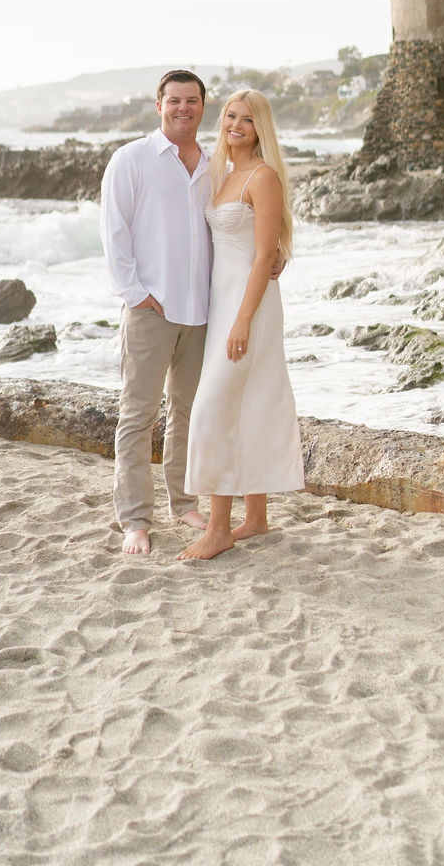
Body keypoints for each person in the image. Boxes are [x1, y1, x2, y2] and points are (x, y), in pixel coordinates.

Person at [178, 89, 304, 562]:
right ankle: (255, 518)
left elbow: (264, 255)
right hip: (223, 303)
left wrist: (243, 320)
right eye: (231, 115)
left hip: (248, 307)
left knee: (215, 407)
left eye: (247, 120)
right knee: (247, 402)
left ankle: (218, 529)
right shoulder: (221, 173)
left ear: (260, 129)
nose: (236, 125)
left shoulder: (262, 176)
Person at [100, 70, 211, 555]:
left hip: (202, 310)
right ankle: (135, 520)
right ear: (159, 105)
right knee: (138, 414)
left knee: (187, 411)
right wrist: (133, 292)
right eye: (174, 101)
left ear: (203, 106)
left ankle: (183, 501)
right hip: (151, 308)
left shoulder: (212, 164)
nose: (183, 108)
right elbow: (114, 231)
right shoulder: (133, 159)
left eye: (192, 101)